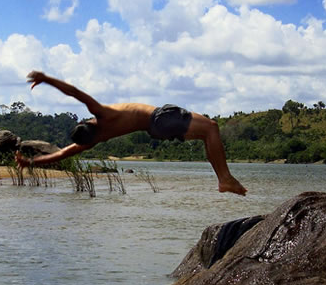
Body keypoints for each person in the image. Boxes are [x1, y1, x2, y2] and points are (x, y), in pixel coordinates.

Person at [14, 71, 247, 195]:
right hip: (158, 118)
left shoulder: (93, 140)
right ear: (89, 122)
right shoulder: (102, 115)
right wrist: (45, 79)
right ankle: (224, 179)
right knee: (212, 128)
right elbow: (74, 92)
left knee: (207, 132)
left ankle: (223, 178)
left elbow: (61, 154)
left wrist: (29, 162)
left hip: (155, 130)